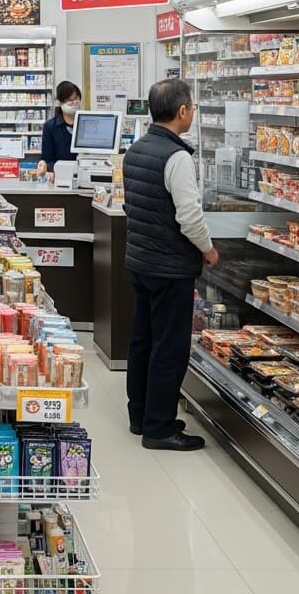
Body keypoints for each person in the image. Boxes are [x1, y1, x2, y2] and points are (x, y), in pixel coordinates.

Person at [123, 79, 218, 452]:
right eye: (192, 107)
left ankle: (140, 415)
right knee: (170, 347)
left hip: (142, 261)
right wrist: (208, 250)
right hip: (169, 266)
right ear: (182, 111)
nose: (192, 113)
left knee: (143, 340)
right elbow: (190, 216)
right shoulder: (177, 157)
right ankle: (160, 428)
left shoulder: (137, 150)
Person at [38, 80, 83, 178]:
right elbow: (47, 159)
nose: (74, 102)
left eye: (76, 98)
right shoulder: (50, 127)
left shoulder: (86, 123)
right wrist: (46, 167)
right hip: (60, 177)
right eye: (69, 100)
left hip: (85, 175)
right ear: (59, 102)